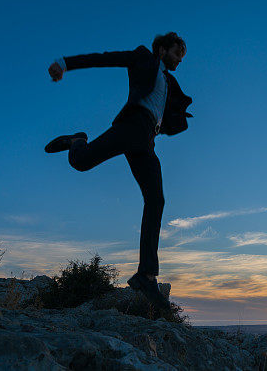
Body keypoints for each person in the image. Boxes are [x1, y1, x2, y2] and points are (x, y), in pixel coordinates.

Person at [44, 32, 192, 309]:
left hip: (147, 139)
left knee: (156, 199)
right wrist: (63, 63)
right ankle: (77, 140)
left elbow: (170, 111)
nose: (178, 61)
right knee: (81, 162)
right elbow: (104, 59)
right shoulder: (142, 57)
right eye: (176, 54)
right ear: (162, 49)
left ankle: (146, 274)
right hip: (131, 126)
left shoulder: (170, 81)